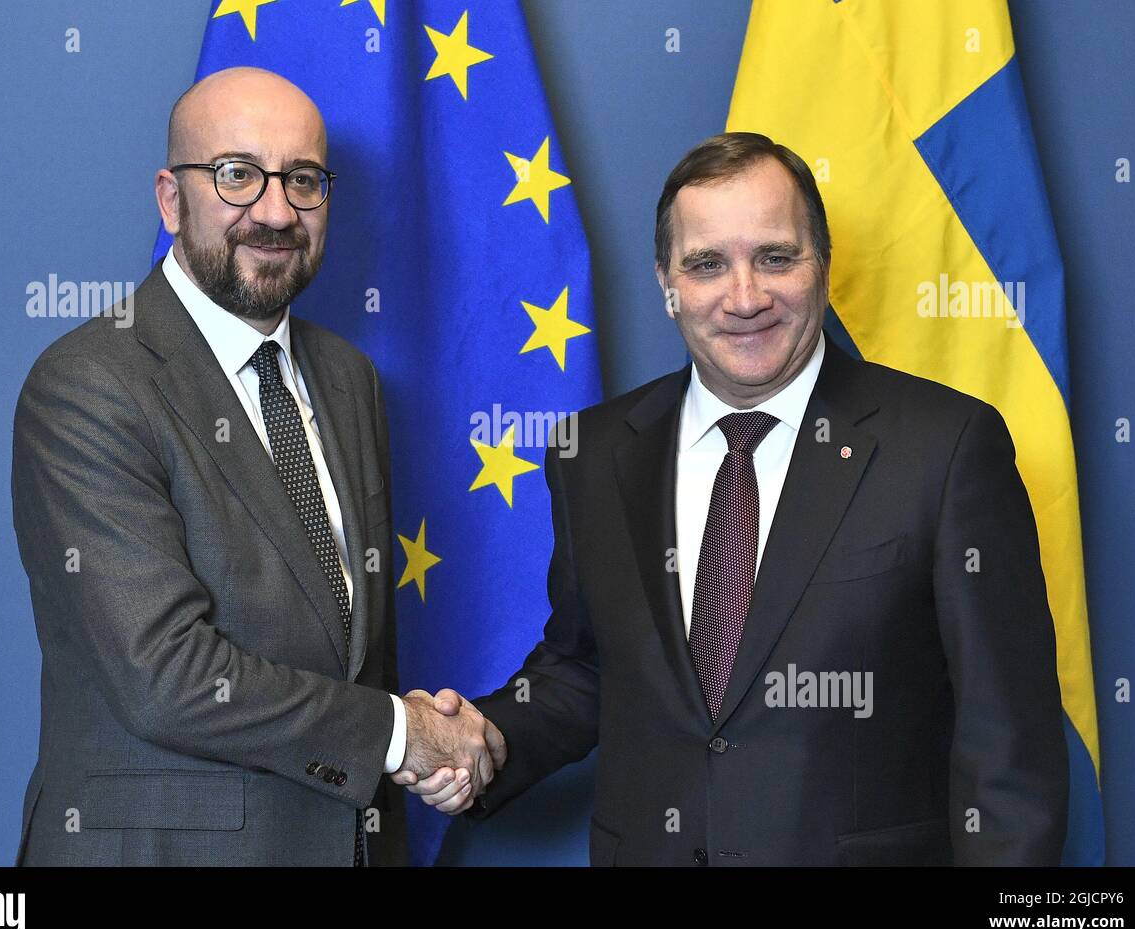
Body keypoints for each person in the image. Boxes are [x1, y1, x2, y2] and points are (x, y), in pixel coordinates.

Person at [397, 132, 1069, 866]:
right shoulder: (591, 453)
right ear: (667, 282)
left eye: (775, 257)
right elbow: (588, 666)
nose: (745, 297)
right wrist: (489, 738)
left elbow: (1008, 749)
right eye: (707, 264)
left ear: (823, 265)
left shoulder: (945, 447)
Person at [11, 66, 502, 866]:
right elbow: (165, 675)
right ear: (172, 199)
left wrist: (413, 735)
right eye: (237, 175)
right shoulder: (87, 384)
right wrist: (398, 734)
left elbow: (344, 649)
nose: (276, 212)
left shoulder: (347, 379)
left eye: (303, 180)